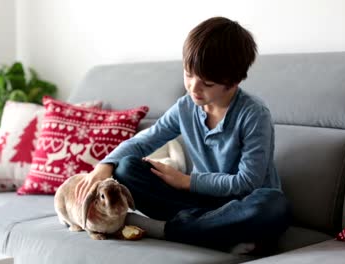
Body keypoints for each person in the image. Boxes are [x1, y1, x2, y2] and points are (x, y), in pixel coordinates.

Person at [77, 16, 291, 253]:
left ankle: (171, 230)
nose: (193, 88)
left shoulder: (254, 115)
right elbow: (142, 142)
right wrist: (104, 165)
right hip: (198, 202)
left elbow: (246, 183)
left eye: (207, 83)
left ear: (233, 82)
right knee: (126, 167)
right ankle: (218, 232)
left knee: (273, 205)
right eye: (188, 74)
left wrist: (187, 182)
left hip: (241, 202)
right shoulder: (185, 107)